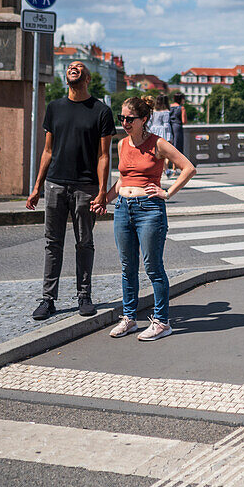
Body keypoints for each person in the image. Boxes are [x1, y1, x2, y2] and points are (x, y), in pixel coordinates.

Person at [99, 96, 196, 341]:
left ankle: (162, 322)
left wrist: (168, 193)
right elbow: (122, 180)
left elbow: (189, 168)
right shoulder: (122, 145)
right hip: (122, 207)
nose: (124, 123)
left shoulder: (158, 144)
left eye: (129, 119)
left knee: (153, 267)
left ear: (144, 119)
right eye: (121, 118)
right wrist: (105, 200)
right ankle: (129, 319)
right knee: (127, 267)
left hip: (149, 210)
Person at [26, 61, 115, 321]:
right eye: (70, 66)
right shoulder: (55, 108)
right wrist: (37, 187)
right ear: (67, 77)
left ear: (87, 78)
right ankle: (48, 299)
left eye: (79, 67)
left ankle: (84, 296)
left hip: (86, 187)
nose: (73, 68)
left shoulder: (101, 111)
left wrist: (101, 191)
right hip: (55, 184)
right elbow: (47, 151)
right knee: (52, 244)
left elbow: (103, 155)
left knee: (84, 243)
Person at [148, 94, 174, 177]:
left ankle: (164, 170)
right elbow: (166, 125)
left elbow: (150, 122)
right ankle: (166, 170)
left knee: (156, 152)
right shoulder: (166, 111)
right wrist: (169, 136)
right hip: (162, 131)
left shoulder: (153, 111)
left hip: (153, 130)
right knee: (162, 153)